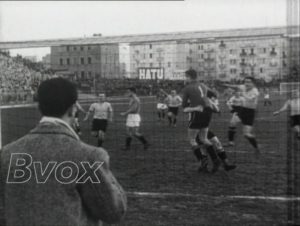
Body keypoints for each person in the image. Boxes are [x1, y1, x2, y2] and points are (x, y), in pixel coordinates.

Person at [0, 78, 126, 226]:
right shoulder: (89, 156)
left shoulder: (7, 153)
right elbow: (113, 212)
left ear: (39, 108)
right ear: (73, 109)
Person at [182, 68, 219, 172]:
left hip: (197, 114)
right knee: (204, 139)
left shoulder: (187, 88)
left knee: (192, 139)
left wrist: (191, 104)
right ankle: (215, 159)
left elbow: (184, 105)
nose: (185, 79)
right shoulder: (203, 85)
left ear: (189, 77)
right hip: (207, 113)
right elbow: (212, 95)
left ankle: (202, 161)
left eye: (186, 77)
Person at [223, 77, 260, 155]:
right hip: (242, 110)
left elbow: (250, 99)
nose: (247, 83)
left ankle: (256, 148)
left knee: (246, 134)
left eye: (249, 82)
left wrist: (243, 94)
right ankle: (231, 142)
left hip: (250, 112)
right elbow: (236, 86)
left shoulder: (255, 91)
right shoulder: (243, 86)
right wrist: (226, 85)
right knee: (232, 123)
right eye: (246, 82)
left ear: (253, 83)